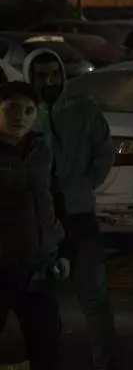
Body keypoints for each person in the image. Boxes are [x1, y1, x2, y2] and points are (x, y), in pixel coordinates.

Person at [25, 47, 117, 370]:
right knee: (40, 304)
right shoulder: (24, 114)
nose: (49, 81)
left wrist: (83, 184)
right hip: (39, 222)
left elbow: (104, 152)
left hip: (79, 216)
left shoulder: (83, 109)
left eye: (54, 74)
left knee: (94, 297)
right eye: (41, 76)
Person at [0, 81, 66, 370]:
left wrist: (63, 250)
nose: (21, 117)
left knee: (47, 346)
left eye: (29, 110)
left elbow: (55, 198)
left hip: (40, 268)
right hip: (2, 269)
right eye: (12, 108)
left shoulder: (41, 149)